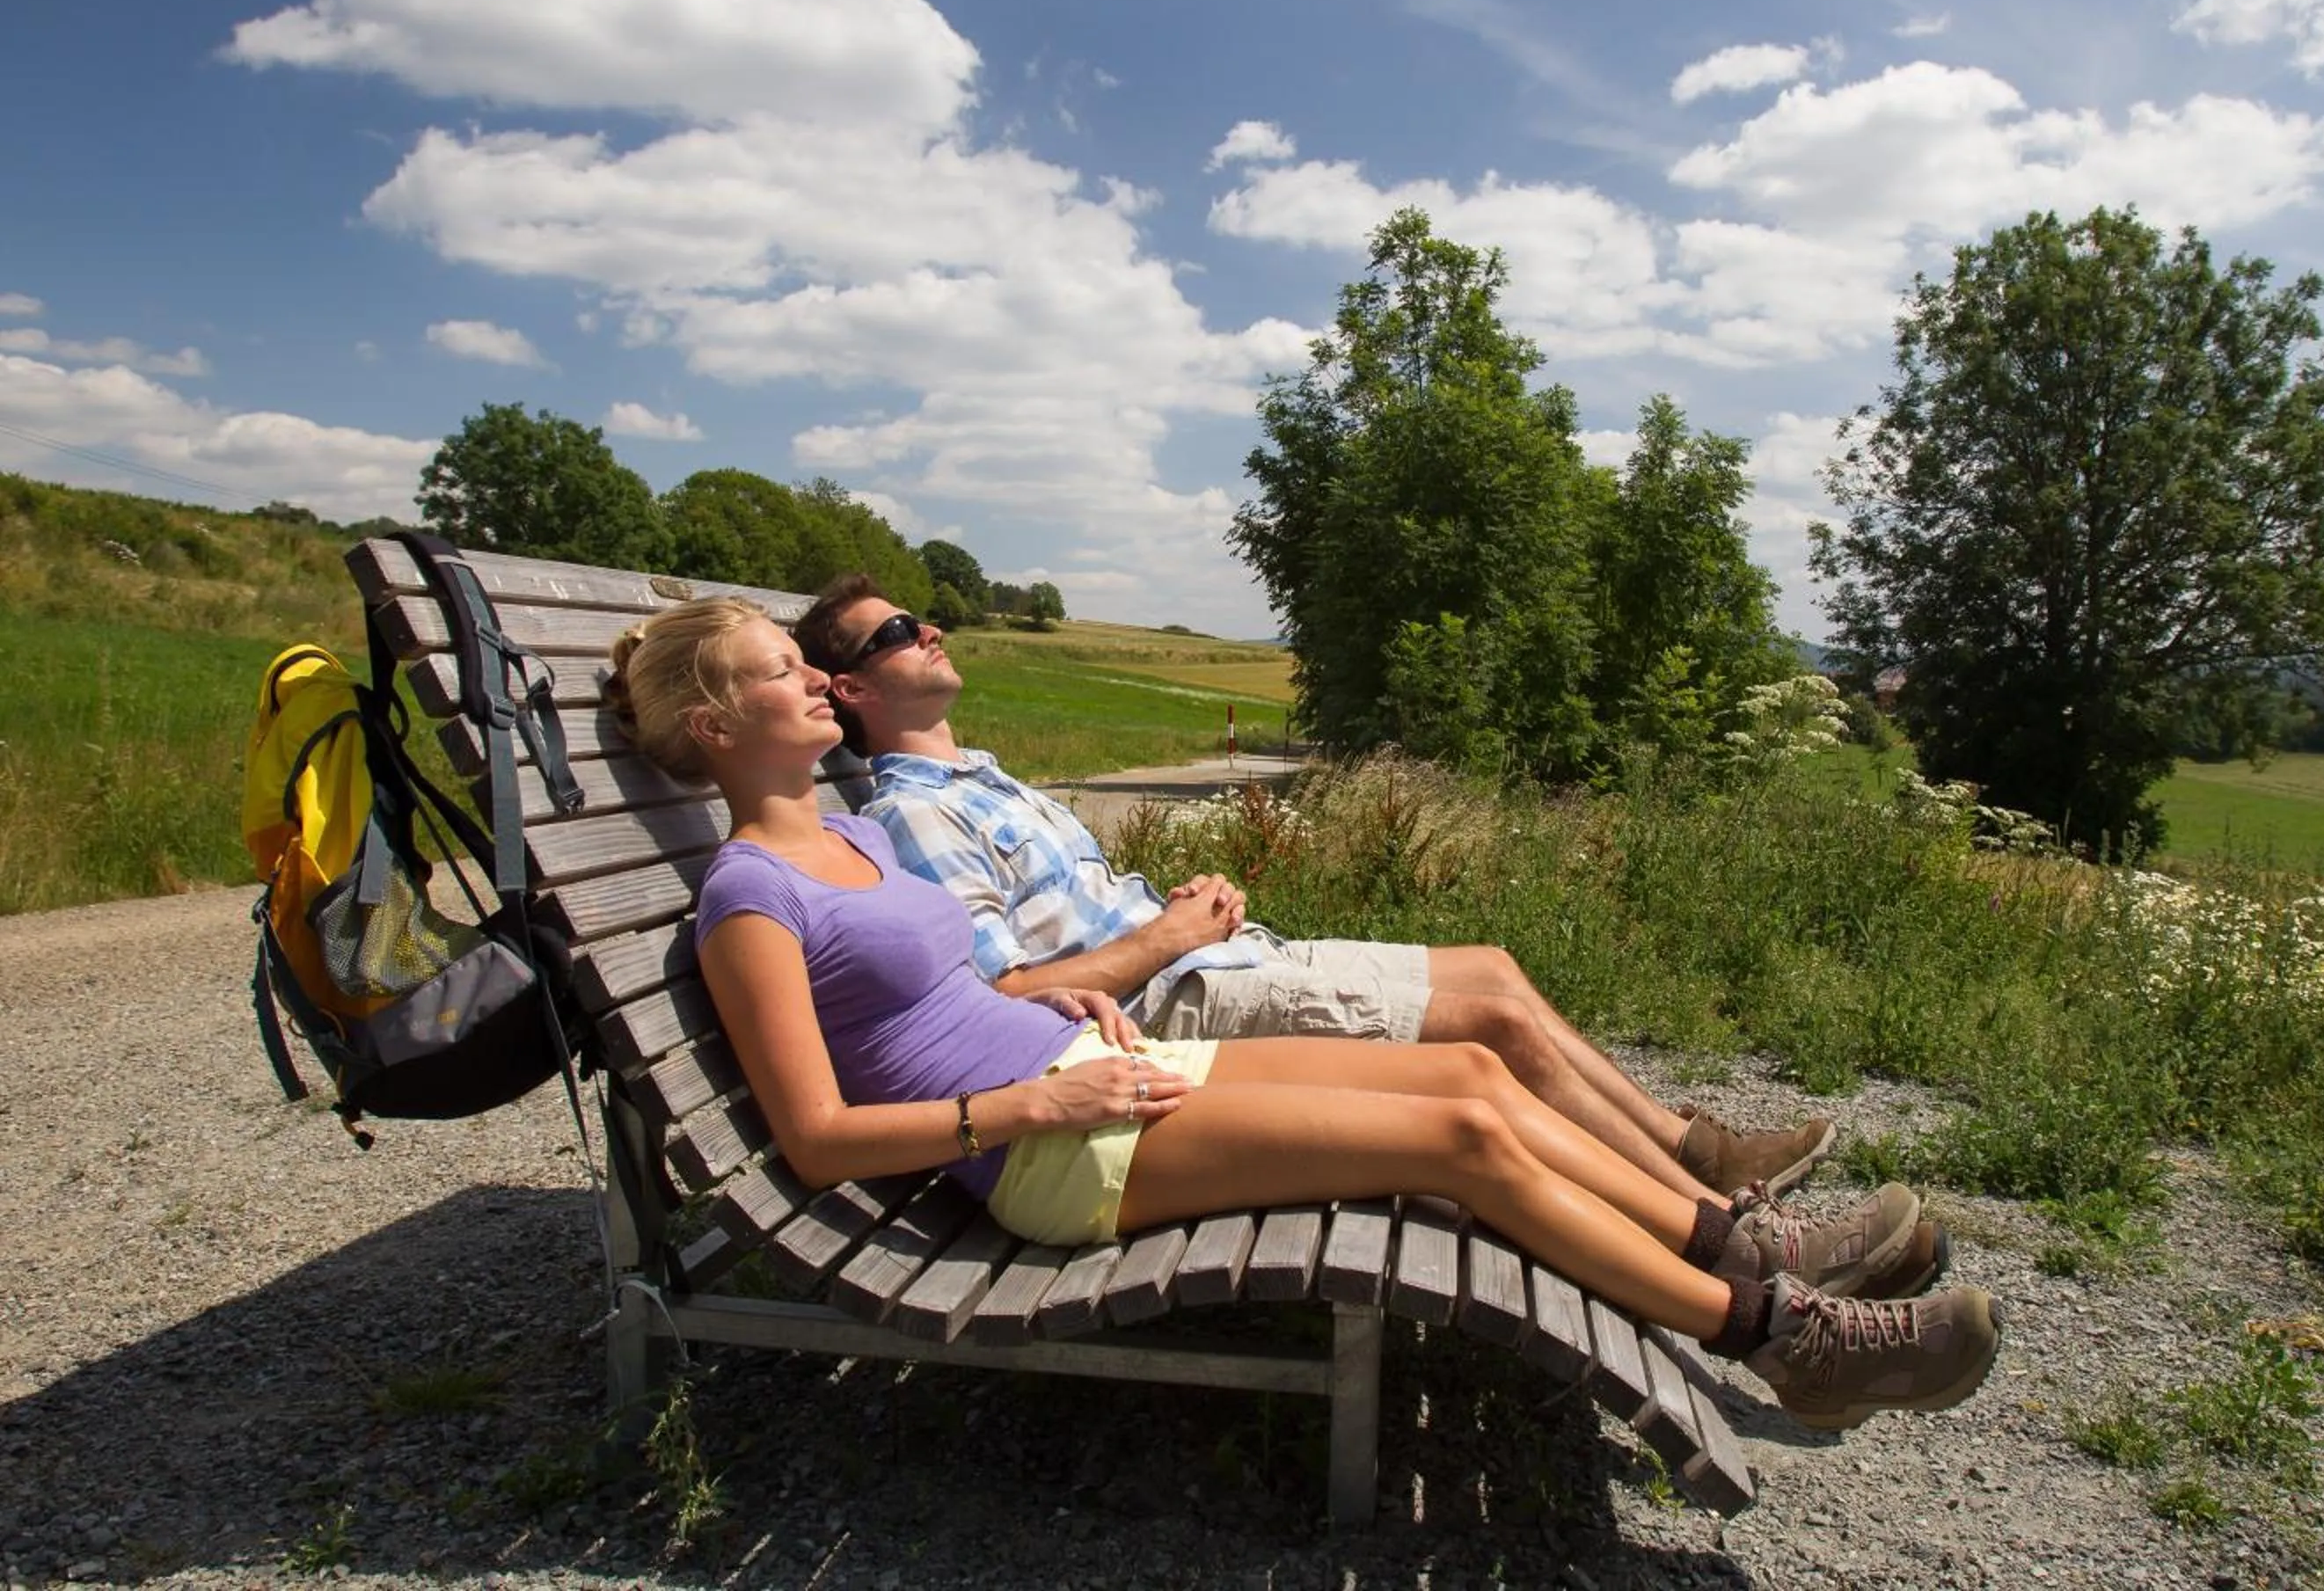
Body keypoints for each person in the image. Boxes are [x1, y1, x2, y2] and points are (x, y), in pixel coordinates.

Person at [600, 596, 2002, 1430]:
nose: (811, 677)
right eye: (782, 670)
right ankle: (1784, 1340)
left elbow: (952, 990)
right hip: (1046, 1153)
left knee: (1471, 1081)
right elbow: (821, 1135)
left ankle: (1735, 1238)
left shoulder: (852, 843)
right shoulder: (747, 894)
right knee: (1453, 1146)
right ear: (718, 731)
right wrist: (1035, 1099)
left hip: (1099, 1068)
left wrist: (1083, 1015)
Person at [791, 580, 1899, 1237]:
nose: (929, 632)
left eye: (923, 618)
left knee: (1498, 969)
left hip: (1208, 961)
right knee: (1495, 1029)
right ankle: (1733, 1232)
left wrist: (1178, 905)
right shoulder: (913, 817)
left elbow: (1072, 921)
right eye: (898, 633)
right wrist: (1170, 934)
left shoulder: (985, 776)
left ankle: (1694, 1152)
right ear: (853, 688)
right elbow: (1005, 997)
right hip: (1174, 1011)